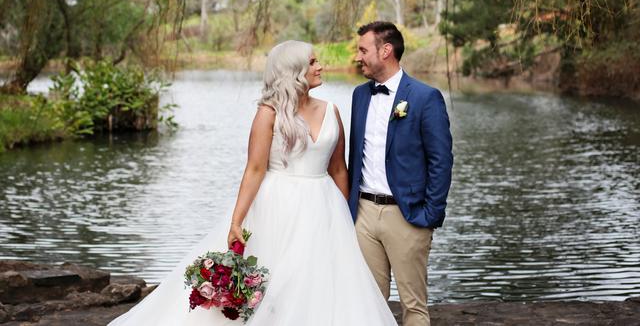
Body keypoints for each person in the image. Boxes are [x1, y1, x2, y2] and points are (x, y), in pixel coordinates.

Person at [109, 40, 398, 326]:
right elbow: (255, 169)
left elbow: (338, 169)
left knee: (320, 278)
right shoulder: (268, 113)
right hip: (278, 205)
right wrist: (237, 220)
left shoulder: (332, 110)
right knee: (278, 277)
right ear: (293, 70)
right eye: (312, 62)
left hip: (325, 207)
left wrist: (346, 219)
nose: (320, 66)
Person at [348, 21, 453, 326]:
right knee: (368, 303)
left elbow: (441, 161)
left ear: (386, 50)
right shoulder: (359, 95)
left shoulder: (425, 97)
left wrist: (430, 214)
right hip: (364, 214)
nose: (358, 56)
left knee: (413, 306)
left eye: (363, 49)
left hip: (407, 215)